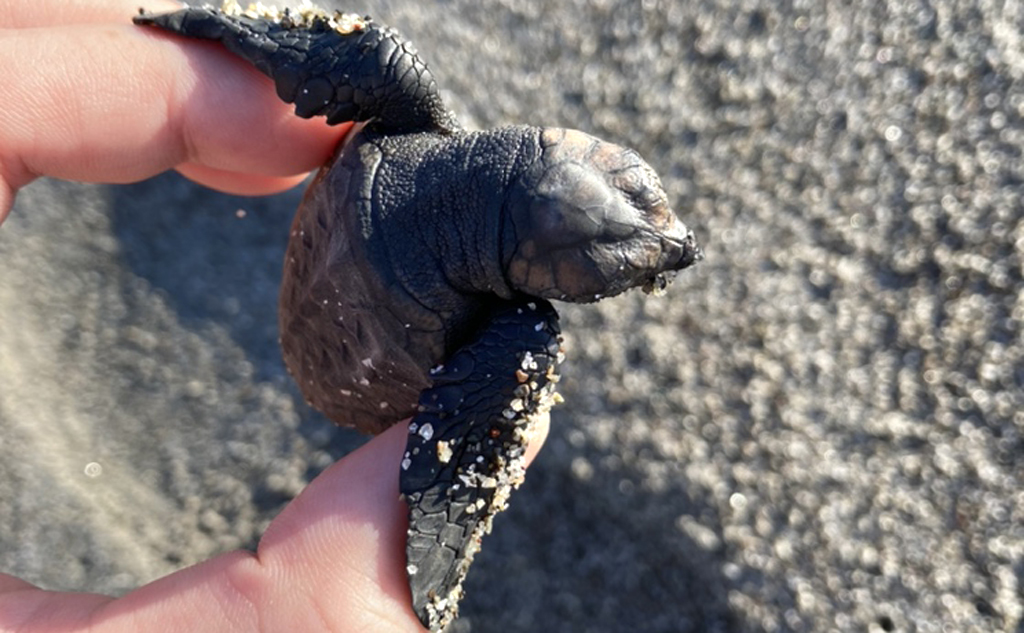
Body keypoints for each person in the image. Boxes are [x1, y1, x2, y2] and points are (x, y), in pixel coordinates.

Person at [0, 2, 549, 630]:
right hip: (358, 359)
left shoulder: (410, 117)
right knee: (516, 379)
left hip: (355, 326)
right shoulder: (521, 327)